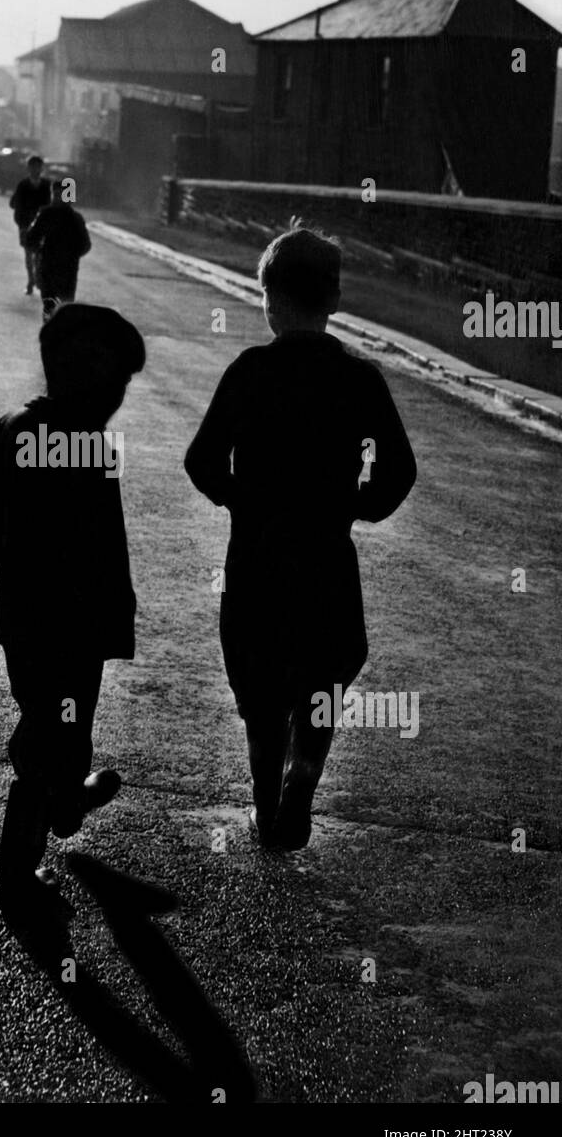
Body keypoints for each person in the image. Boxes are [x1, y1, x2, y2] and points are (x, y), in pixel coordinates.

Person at [184, 228, 417, 852]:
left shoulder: (250, 370)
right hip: (326, 554)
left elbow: (202, 460)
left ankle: (265, 798)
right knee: (324, 675)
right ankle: (303, 783)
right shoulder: (359, 379)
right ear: (335, 298)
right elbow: (400, 469)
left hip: (257, 555)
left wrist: (240, 498)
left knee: (260, 687)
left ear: (268, 299)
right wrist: (359, 506)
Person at [0, 303, 146, 918]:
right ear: (90, 377)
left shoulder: (16, 425)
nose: (119, 395)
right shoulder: (85, 445)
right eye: (118, 383)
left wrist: (12, 561)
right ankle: (23, 860)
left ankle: (65, 803)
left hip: (25, 617)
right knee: (53, 729)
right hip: (76, 624)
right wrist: (112, 607)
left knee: (52, 719)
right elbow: (101, 544)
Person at [24, 179, 92, 320]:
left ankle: (51, 336)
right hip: (65, 270)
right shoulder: (73, 218)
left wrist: (39, 250)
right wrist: (72, 256)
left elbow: (31, 239)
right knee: (63, 308)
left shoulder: (47, 215)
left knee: (51, 307)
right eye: (56, 194)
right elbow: (85, 245)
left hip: (53, 268)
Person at [9, 156, 51, 297]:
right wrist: (21, 222)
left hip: (43, 225)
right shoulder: (23, 185)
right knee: (28, 254)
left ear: (41, 168)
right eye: (33, 167)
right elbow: (14, 203)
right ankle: (30, 280)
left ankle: (36, 278)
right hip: (25, 224)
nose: (35, 170)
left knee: (39, 254)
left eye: (38, 167)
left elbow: (50, 204)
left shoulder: (46, 185)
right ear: (29, 168)